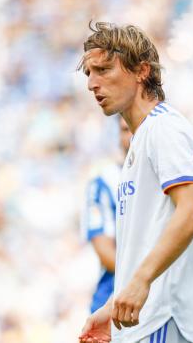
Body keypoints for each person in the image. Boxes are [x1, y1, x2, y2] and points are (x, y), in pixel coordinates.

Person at [77, 22, 193, 343]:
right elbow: (144, 242)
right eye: (88, 74)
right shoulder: (139, 142)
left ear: (141, 71)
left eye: (103, 70)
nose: (92, 84)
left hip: (164, 319)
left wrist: (140, 282)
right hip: (145, 323)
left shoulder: (163, 128)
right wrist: (112, 305)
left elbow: (192, 211)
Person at [80, 117, 131, 313]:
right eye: (126, 129)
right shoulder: (105, 182)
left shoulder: (167, 177)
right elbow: (105, 252)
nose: (132, 136)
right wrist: (148, 276)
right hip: (115, 295)